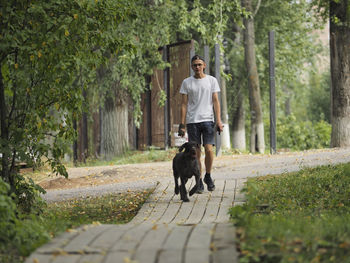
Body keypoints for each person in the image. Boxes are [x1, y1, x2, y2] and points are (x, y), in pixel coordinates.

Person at [178, 54, 223, 193]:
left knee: (209, 150)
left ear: (204, 66)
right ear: (192, 67)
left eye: (199, 64)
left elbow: (215, 101)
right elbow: (184, 104)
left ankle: (208, 176)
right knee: (196, 153)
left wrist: (219, 120)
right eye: (195, 65)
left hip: (208, 120)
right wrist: (182, 124)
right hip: (192, 122)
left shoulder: (211, 80)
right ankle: (199, 180)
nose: (197, 67)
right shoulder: (187, 82)